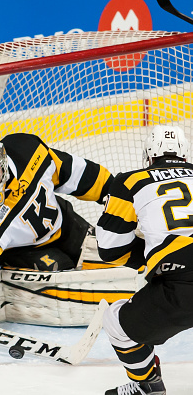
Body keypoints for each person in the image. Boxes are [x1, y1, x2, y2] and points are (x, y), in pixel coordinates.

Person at [0, 133, 114, 346]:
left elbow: (70, 171)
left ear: (3, 161)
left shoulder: (28, 150)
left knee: (108, 251)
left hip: (65, 224)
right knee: (63, 274)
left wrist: (115, 193)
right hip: (27, 251)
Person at [96, 124, 193, 395]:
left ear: (148, 156)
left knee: (116, 322)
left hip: (182, 285)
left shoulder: (130, 180)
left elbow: (109, 248)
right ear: (185, 153)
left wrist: (152, 257)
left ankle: (147, 386)